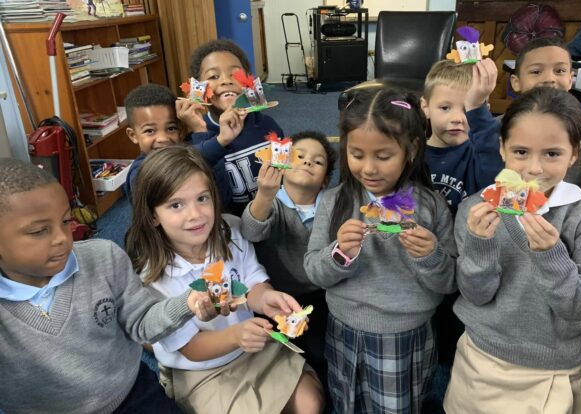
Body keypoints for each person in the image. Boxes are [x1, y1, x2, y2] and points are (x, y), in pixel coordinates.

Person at [444, 87, 581, 413]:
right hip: (481, 355)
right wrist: (480, 246)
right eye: (521, 152)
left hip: (553, 367)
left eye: (552, 154)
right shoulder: (474, 209)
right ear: (502, 148)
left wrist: (551, 255)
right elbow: (475, 295)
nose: (534, 169)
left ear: (575, 153)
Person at [0, 158, 218, 414]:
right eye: (39, 231)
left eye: (66, 221)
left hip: (132, 394)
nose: (61, 238)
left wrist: (188, 302)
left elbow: (142, 322)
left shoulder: (104, 257)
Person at [125, 145, 324, 414]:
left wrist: (266, 298)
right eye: (176, 205)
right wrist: (236, 336)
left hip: (251, 347)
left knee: (310, 404)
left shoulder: (229, 230)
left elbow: (251, 281)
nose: (195, 215)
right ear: (152, 216)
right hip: (200, 369)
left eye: (202, 198)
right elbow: (191, 348)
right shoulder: (153, 276)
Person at [303, 87, 457, 413]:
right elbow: (314, 271)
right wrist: (339, 253)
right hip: (344, 328)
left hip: (405, 335)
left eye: (383, 156)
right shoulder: (333, 201)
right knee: (346, 403)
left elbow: (449, 282)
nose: (369, 169)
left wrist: (429, 255)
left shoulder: (430, 206)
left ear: (411, 150)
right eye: (357, 154)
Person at [240, 130, 338, 403]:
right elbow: (251, 231)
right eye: (300, 156)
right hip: (277, 297)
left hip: (320, 294)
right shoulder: (272, 202)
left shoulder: (331, 205)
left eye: (317, 162)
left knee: (322, 351)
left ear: (325, 180)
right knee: (276, 350)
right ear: (282, 164)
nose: (307, 162)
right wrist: (264, 194)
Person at [467, 36, 581, 186]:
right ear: (516, 82)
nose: (549, 78)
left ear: (570, 80)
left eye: (559, 70)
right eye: (536, 72)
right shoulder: (497, 127)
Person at [176, 39, 284, 215]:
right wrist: (201, 132)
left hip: (275, 214)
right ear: (197, 88)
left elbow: (285, 178)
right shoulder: (198, 138)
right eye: (213, 76)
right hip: (230, 222)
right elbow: (213, 199)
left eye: (235, 74)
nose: (226, 81)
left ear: (249, 81)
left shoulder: (267, 125)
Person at [123, 83, 231, 205]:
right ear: (133, 135)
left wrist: (199, 129)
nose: (162, 138)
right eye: (149, 131)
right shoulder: (139, 172)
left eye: (171, 128)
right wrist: (216, 141)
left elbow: (223, 197)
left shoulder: (189, 146)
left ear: (180, 130)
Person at [421, 58, 505, 214]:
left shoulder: (481, 155)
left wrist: (477, 110)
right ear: (425, 107)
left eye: (467, 109)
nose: (457, 119)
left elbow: (497, 181)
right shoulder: (413, 155)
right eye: (445, 108)